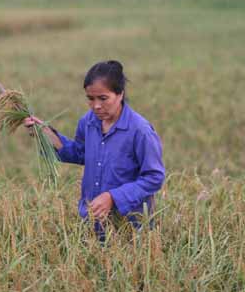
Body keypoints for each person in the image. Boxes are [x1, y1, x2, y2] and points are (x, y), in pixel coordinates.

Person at [24, 60, 165, 239]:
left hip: (129, 229)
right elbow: (80, 153)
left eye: (103, 98)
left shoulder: (140, 131)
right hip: (92, 224)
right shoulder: (88, 122)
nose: (96, 106)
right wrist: (43, 133)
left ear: (120, 94)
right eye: (90, 99)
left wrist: (113, 197)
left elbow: (154, 177)